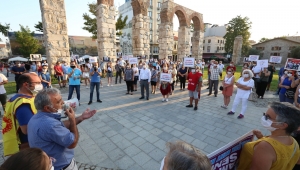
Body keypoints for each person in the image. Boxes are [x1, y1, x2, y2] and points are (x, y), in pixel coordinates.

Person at [27, 88, 96, 170]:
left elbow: (61, 126)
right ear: (47, 108)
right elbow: (72, 143)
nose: (63, 103)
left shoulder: (36, 117)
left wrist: (81, 117)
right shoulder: (50, 124)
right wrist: (72, 119)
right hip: (62, 166)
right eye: (58, 102)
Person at [237, 102, 300, 170]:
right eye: (264, 114)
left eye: (268, 117)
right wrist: (261, 138)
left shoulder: (265, 146)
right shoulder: (294, 142)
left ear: (282, 125)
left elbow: (270, 150)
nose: (264, 118)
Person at [2, 73, 42, 156]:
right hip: (29, 146)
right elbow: (27, 130)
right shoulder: (23, 103)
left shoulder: (17, 98)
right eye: (37, 83)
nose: (40, 85)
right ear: (26, 84)